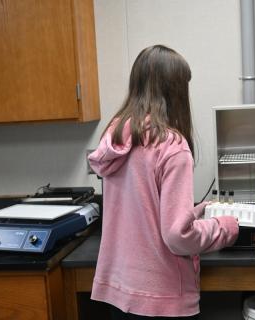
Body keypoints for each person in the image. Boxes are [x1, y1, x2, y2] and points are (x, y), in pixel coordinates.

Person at [88, 45, 239, 320]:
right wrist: (224, 227)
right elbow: (177, 237)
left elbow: (143, 210)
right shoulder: (171, 145)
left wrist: (192, 212)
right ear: (175, 91)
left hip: (121, 293)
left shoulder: (117, 137)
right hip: (162, 298)